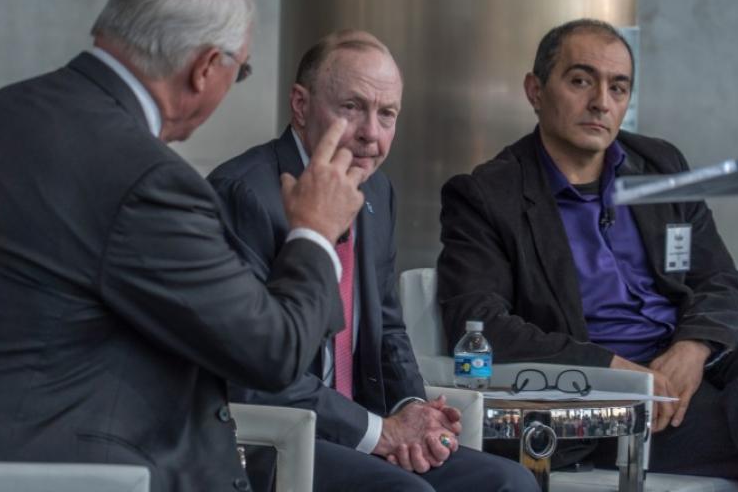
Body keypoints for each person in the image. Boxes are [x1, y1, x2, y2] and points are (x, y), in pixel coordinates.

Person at [0, 0, 369, 492]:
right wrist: (315, 231)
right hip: (80, 474)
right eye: (240, 71)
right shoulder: (144, 178)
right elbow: (272, 351)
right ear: (205, 68)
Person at [209, 30, 539, 492]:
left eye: (387, 114)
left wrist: (412, 411)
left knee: (509, 482)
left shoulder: (377, 192)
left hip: (358, 428)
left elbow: (388, 329)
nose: (371, 133)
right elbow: (254, 372)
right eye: (352, 107)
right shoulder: (244, 192)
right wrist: (378, 432)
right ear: (301, 105)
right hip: (273, 437)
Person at [437, 17, 738, 482]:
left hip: (698, 367)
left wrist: (693, 347)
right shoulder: (488, 195)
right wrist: (614, 369)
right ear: (535, 90)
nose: (601, 102)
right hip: (601, 400)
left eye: (618, 88)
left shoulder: (659, 164)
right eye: (581, 81)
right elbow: (480, 324)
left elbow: (721, 279)